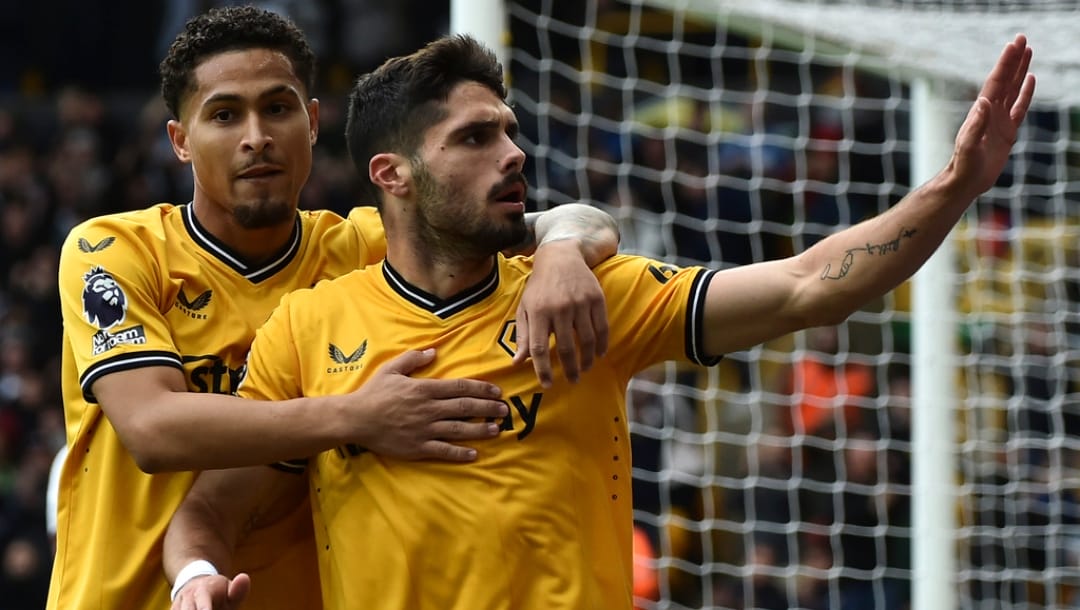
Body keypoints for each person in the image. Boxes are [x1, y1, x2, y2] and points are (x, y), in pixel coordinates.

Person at [164, 32, 1035, 610]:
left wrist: (952, 188)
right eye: (474, 139)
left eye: (509, 131)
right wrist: (196, 578)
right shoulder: (309, 327)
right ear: (391, 174)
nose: (515, 154)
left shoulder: (594, 293)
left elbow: (811, 285)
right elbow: (207, 511)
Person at [47, 7, 621, 610]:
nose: (256, 137)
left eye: (278, 107)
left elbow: (573, 221)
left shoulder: (365, 249)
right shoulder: (114, 250)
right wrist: (356, 415)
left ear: (313, 123)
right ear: (180, 141)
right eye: (224, 115)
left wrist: (559, 252)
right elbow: (153, 430)